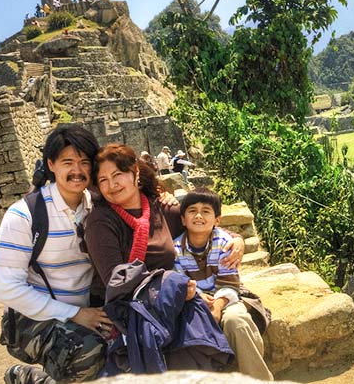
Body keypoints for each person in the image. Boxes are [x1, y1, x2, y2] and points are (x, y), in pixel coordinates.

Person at [84, 144, 245, 371]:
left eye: (118, 175)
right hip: (131, 308)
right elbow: (115, 280)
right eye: (103, 180)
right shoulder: (101, 222)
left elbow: (200, 226)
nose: (112, 185)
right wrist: (174, 286)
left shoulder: (161, 208)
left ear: (135, 173)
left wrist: (236, 239)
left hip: (174, 300)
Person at [0, 125, 111, 384]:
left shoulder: (98, 206)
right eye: (67, 162)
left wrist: (165, 199)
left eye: (84, 162)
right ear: (51, 164)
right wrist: (74, 314)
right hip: (31, 318)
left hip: (89, 308)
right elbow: (4, 287)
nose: (77, 171)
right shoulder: (25, 215)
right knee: (87, 352)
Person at [174, 189, 273, 381]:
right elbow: (182, 282)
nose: (199, 216)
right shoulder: (176, 249)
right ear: (183, 220)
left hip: (227, 297)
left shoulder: (225, 243)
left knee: (237, 321)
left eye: (206, 211)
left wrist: (218, 306)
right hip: (194, 301)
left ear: (217, 220)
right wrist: (199, 298)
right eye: (192, 211)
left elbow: (229, 282)